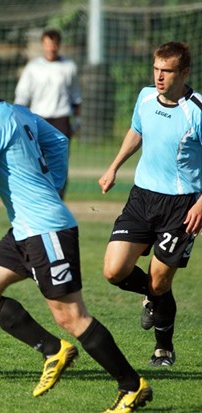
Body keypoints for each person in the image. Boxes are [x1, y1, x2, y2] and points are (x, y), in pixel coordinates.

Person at [0, 52, 152, 412]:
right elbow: (60, 142)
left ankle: (131, 385)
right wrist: (52, 183)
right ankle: (54, 350)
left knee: (72, 316)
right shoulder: (14, 111)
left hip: (46, 229)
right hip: (25, 228)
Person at [98, 41, 202, 368]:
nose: (159, 76)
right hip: (142, 198)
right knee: (113, 271)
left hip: (182, 207)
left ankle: (163, 349)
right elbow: (137, 131)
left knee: (159, 282)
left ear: (184, 73)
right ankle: (153, 298)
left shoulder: (197, 109)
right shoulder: (144, 97)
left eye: (167, 71)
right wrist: (114, 166)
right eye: (156, 69)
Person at [14, 28, 82, 198]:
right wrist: (19, 118)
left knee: (60, 161)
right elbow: (22, 95)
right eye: (47, 44)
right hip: (39, 119)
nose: (51, 48)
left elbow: (76, 96)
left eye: (54, 45)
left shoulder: (69, 67)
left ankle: (59, 198)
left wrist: (77, 120)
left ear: (59, 45)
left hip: (61, 119)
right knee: (37, 159)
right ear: (42, 45)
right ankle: (40, 196)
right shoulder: (33, 67)